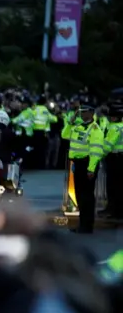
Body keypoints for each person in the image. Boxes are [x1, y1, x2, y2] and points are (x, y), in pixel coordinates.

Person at [61, 105, 105, 233]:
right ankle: (82, 223)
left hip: (87, 164)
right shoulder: (77, 126)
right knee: (79, 195)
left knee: (87, 196)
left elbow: (95, 152)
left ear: (91, 113)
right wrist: (70, 121)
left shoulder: (95, 130)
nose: (81, 114)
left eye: (84, 112)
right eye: (80, 112)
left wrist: (91, 169)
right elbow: (64, 135)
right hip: (78, 164)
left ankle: (87, 225)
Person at [101, 99, 123, 219]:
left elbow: (108, 145)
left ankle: (113, 210)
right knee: (120, 186)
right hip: (121, 158)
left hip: (115, 159)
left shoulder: (114, 128)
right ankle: (118, 210)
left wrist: (98, 155)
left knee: (112, 186)